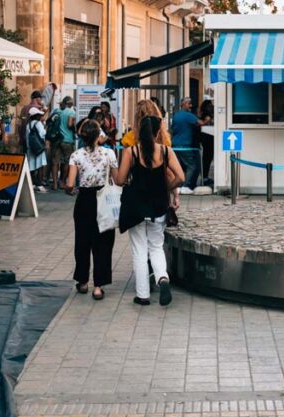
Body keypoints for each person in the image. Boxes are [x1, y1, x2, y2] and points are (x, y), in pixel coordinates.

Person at [117, 113, 184, 307]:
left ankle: (143, 295)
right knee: (156, 246)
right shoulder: (165, 151)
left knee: (139, 250)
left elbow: (120, 180)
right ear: (156, 133)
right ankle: (162, 278)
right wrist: (168, 187)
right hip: (158, 206)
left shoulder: (131, 152)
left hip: (135, 207)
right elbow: (180, 176)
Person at [66, 119, 120, 301]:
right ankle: (98, 286)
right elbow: (118, 179)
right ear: (98, 136)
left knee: (82, 242)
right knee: (103, 242)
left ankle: (82, 281)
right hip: (103, 199)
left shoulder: (76, 155)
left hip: (84, 201)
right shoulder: (109, 154)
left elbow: (70, 184)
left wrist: (71, 190)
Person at [171, 97, 201, 194]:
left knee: (178, 166)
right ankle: (186, 186)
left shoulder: (176, 115)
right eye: (189, 103)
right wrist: (208, 119)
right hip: (186, 146)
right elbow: (200, 123)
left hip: (175, 145)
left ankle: (177, 185)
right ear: (183, 104)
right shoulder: (189, 116)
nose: (190, 106)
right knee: (192, 166)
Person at [50, 96, 76, 190]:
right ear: (70, 103)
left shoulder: (59, 112)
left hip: (57, 139)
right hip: (67, 140)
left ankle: (55, 184)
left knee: (55, 162)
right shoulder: (71, 112)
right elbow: (69, 125)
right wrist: (74, 128)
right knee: (67, 162)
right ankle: (63, 182)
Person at [25, 106, 48, 192]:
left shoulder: (28, 125)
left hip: (31, 148)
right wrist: (45, 127)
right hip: (39, 148)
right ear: (36, 116)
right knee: (40, 166)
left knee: (32, 167)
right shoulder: (38, 124)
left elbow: (27, 138)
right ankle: (39, 184)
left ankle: (33, 183)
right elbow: (43, 134)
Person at [198, 96, 214, 186]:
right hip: (209, 138)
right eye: (210, 105)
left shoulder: (202, 115)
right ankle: (204, 177)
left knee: (206, 158)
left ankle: (204, 176)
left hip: (204, 138)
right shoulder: (208, 117)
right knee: (207, 157)